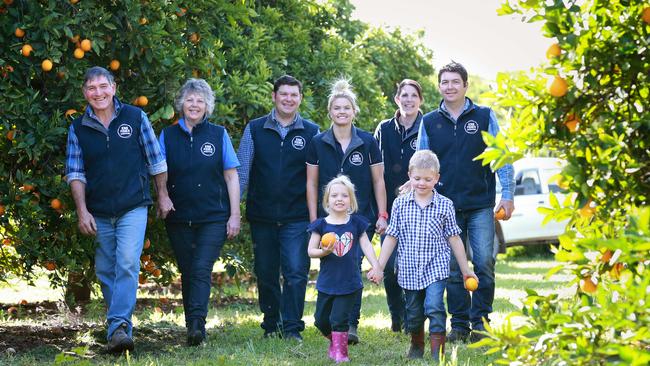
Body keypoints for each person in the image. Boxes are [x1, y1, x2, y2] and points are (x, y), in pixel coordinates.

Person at [65, 66, 173, 353]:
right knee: (105, 269)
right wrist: (82, 211)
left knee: (126, 262)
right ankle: (120, 328)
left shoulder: (135, 117)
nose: (98, 93)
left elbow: (156, 160)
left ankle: (117, 326)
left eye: (103, 86)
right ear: (84, 93)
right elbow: (75, 172)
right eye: (91, 88)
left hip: (133, 205)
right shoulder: (77, 127)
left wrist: (162, 195)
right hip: (98, 210)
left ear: (113, 87)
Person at [416, 61, 515, 343]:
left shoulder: (484, 116)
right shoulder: (430, 121)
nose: (449, 87)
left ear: (465, 85)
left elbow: (501, 156)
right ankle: (459, 324)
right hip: (444, 207)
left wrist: (507, 194)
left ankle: (481, 322)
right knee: (452, 268)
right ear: (439, 86)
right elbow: (423, 162)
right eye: (444, 82)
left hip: (481, 205)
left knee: (483, 262)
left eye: (454, 82)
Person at [369, 150, 478, 361]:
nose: (422, 183)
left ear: (437, 178)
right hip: (409, 268)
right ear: (409, 174)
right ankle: (417, 345)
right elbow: (391, 237)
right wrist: (379, 267)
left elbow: (454, 238)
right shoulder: (400, 204)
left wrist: (466, 271)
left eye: (428, 179)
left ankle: (438, 353)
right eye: (417, 178)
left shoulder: (445, 205)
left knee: (435, 306)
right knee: (413, 312)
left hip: (435, 267)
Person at [158, 78, 241, 346]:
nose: (194, 105)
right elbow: (159, 171)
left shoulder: (218, 134)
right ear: (182, 104)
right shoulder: (168, 135)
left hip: (213, 216)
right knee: (188, 270)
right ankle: (192, 323)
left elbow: (231, 176)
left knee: (202, 268)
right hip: (178, 215)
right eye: (190, 100)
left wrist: (235, 214)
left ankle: (196, 326)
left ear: (208, 106)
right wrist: (163, 196)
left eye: (200, 101)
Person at [237, 75, 319, 341]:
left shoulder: (311, 131)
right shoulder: (255, 128)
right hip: (262, 215)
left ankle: (292, 327)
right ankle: (272, 324)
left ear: (300, 99)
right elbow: (242, 174)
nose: (288, 99)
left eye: (294, 95)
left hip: (297, 217)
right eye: (283, 94)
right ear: (274, 96)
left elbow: (316, 178)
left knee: (296, 272)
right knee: (266, 272)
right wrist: (234, 211)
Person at [306, 78, 388, 344]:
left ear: (354, 111)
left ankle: (351, 324)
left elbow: (378, 180)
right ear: (330, 112)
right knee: (335, 265)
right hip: (330, 220)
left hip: (360, 218)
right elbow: (311, 182)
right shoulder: (317, 142)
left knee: (353, 265)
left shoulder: (367, 141)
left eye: (347, 108)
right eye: (337, 108)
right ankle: (332, 321)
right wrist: (314, 220)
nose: (342, 112)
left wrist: (382, 214)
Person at [308, 175, 383, 363]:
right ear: (327, 200)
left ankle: (341, 353)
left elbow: (366, 246)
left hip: (350, 282)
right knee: (320, 320)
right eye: (334, 196)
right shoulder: (321, 225)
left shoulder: (356, 223)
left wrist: (376, 266)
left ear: (351, 200)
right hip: (326, 282)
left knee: (339, 319)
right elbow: (310, 251)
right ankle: (335, 343)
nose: (339, 199)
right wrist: (324, 252)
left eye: (344, 195)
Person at [373, 79, 424, 332]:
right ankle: (398, 316)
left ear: (420, 100)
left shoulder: (429, 126)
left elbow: (434, 165)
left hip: (421, 208)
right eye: (404, 95)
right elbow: (375, 170)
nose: (408, 100)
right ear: (396, 99)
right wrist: (379, 210)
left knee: (416, 265)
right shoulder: (383, 128)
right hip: (391, 210)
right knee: (391, 267)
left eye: (413, 95)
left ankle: (415, 319)